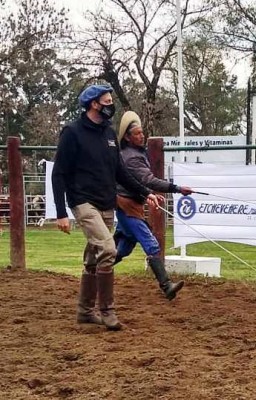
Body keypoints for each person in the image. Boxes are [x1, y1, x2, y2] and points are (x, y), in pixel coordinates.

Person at [52, 84, 160, 331]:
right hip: (83, 202)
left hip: (106, 203)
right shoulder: (72, 132)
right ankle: (107, 310)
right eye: (107, 101)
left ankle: (84, 311)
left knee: (93, 257)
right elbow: (58, 174)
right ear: (94, 104)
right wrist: (61, 213)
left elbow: (120, 172)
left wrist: (146, 193)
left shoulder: (109, 135)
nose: (112, 105)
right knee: (108, 249)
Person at [113, 111, 193, 300]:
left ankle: (94, 269)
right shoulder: (132, 157)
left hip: (130, 206)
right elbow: (148, 180)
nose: (142, 136)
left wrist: (149, 195)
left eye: (142, 133)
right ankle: (166, 286)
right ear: (127, 137)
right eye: (137, 133)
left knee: (123, 249)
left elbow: (140, 183)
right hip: (128, 207)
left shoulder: (131, 154)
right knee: (152, 245)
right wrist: (176, 188)